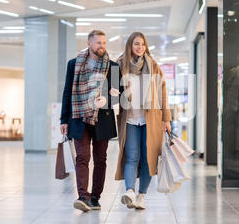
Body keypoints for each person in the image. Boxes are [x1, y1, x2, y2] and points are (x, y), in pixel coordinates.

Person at [60, 30, 121, 212]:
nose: (102, 46)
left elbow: (120, 95)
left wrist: (107, 100)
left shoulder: (114, 67)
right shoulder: (73, 65)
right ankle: (82, 196)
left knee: (100, 159)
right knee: (82, 157)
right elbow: (67, 93)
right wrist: (64, 119)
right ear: (89, 44)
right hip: (79, 117)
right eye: (98, 43)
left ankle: (95, 197)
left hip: (103, 118)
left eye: (104, 42)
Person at [115, 32, 172, 210]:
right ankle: (130, 191)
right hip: (130, 119)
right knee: (132, 156)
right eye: (136, 44)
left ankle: (141, 195)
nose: (140, 47)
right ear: (130, 46)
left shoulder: (153, 65)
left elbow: (163, 93)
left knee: (149, 159)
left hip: (151, 120)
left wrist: (166, 118)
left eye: (142, 44)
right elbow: (112, 90)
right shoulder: (120, 65)